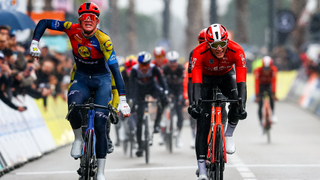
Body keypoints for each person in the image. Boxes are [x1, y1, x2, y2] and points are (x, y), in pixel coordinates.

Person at [29, 2, 131, 180]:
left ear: (97, 21)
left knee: (100, 125)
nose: (88, 20)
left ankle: (100, 172)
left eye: (92, 18)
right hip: (81, 77)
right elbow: (44, 22)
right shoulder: (71, 28)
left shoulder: (104, 40)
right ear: (80, 20)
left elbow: (115, 70)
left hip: (102, 80)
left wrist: (122, 100)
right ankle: (77, 138)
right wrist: (35, 42)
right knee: (74, 105)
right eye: (85, 18)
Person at [188, 24, 247, 180]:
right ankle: (202, 171)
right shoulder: (198, 53)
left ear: (227, 41)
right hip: (205, 80)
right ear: (207, 44)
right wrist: (194, 104)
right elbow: (195, 82)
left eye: (222, 44)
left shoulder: (237, 50)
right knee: (203, 122)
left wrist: (242, 105)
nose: (219, 48)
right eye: (215, 45)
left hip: (226, 77)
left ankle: (228, 135)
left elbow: (242, 82)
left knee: (238, 103)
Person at [129, 51, 169, 157]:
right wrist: (132, 99)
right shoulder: (134, 70)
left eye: (146, 65)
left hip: (152, 88)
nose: (144, 67)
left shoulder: (154, 68)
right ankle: (139, 146)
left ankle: (156, 125)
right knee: (139, 120)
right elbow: (131, 86)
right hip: (139, 91)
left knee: (164, 99)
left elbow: (161, 81)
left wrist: (165, 91)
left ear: (149, 63)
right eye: (142, 65)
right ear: (139, 64)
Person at [183, 28, 211, 149]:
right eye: (201, 42)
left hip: (217, 81)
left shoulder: (220, 51)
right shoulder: (194, 54)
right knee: (198, 109)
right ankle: (196, 136)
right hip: (201, 82)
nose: (204, 46)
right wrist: (191, 101)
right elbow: (190, 80)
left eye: (207, 42)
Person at [163, 51, 185, 147]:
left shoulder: (181, 69)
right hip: (168, 89)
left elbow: (184, 83)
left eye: (174, 61)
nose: (173, 64)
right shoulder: (165, 69)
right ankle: (163, 127)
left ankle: (179, 136)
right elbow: (162, 82)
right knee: (163, 106)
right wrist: (167, 93)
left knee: (179, 113)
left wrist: (183, 94)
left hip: (178, 90)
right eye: (171, 62)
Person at [254, 56, 278, 127]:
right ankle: (261, 122)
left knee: (271, 97)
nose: (267, 71)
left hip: (269, 85)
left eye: (268, 69)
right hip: (261, 85)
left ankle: (273, 114)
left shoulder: (274, 70)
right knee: (260, 103)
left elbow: (274, 82)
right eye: (265, 68)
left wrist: (274, 94)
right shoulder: (257, 70)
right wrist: (257, 95)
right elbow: (256, 83)